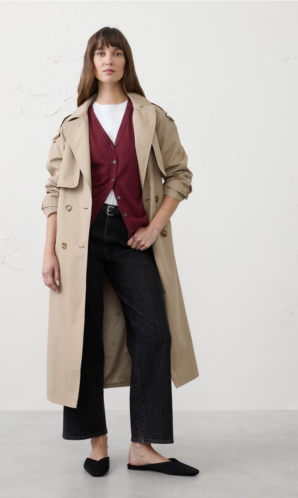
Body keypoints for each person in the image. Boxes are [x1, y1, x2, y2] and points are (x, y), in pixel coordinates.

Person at [41, 27, 199, 478]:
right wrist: (49, 252)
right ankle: (97, 443)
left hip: (133, 235)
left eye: (115, 52)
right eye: (99, 53)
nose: (107, 60)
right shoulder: (73, 123)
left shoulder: (151, 116)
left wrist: (154, 226)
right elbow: (53, 190)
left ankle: (143, 447)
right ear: (91, 63)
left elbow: (180, 175)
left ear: (126, 61)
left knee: (154, 333)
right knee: (83, 336)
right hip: (81, 240)